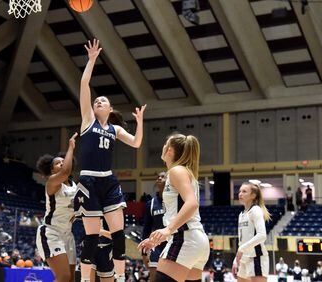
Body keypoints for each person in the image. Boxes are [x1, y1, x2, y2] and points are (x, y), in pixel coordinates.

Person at [75, 39, 146, 282]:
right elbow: (84, 84)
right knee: (92, 236)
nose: (98, 102)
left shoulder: (115, 129)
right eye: (96, 101)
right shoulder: (87, 120)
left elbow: (136, 143)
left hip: (109, 181)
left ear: (110, 107)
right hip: (89, 181)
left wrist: (140, 123)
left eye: (102, 100)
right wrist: (92, 59)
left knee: (118, 233)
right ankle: (85, 279)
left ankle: (121, 277)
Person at [138, 134, 209, 282]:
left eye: (165, 144)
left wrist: (168, 229)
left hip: (185, 239)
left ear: (169, 150)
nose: (163, 147)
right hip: (195, 240)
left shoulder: (177, 171)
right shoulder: (185, 172)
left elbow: (192, 203)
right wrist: (159, 237)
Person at [35, 133, 78, 282]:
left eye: (63, 161)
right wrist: (70, 148)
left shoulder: (75, 187)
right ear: (52, 170)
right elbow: (66, 171)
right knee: (63, 277)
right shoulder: (52, 182)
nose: (61, 164)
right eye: (58, 163)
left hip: (68, 234)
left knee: (71, 278)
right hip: (51, 232)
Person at [231, 182, 271, 282]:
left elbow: (262, 235)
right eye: (239, 191)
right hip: (243, 258)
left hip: (256, 257)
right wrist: (235, 260)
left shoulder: (256, 210)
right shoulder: (241, 214)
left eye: (244, 191)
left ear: (253, 195)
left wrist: (242, 249)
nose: (240, 194)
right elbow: (242, 241)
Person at [141, 172, 167, 282]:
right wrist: (143, 253)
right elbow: (146, 229)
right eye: (158, 177)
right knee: (154, 279)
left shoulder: (175, 201)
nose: (159, 179)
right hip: (156, 246)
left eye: (163, 177)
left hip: (173, 243)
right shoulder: (151, 204)